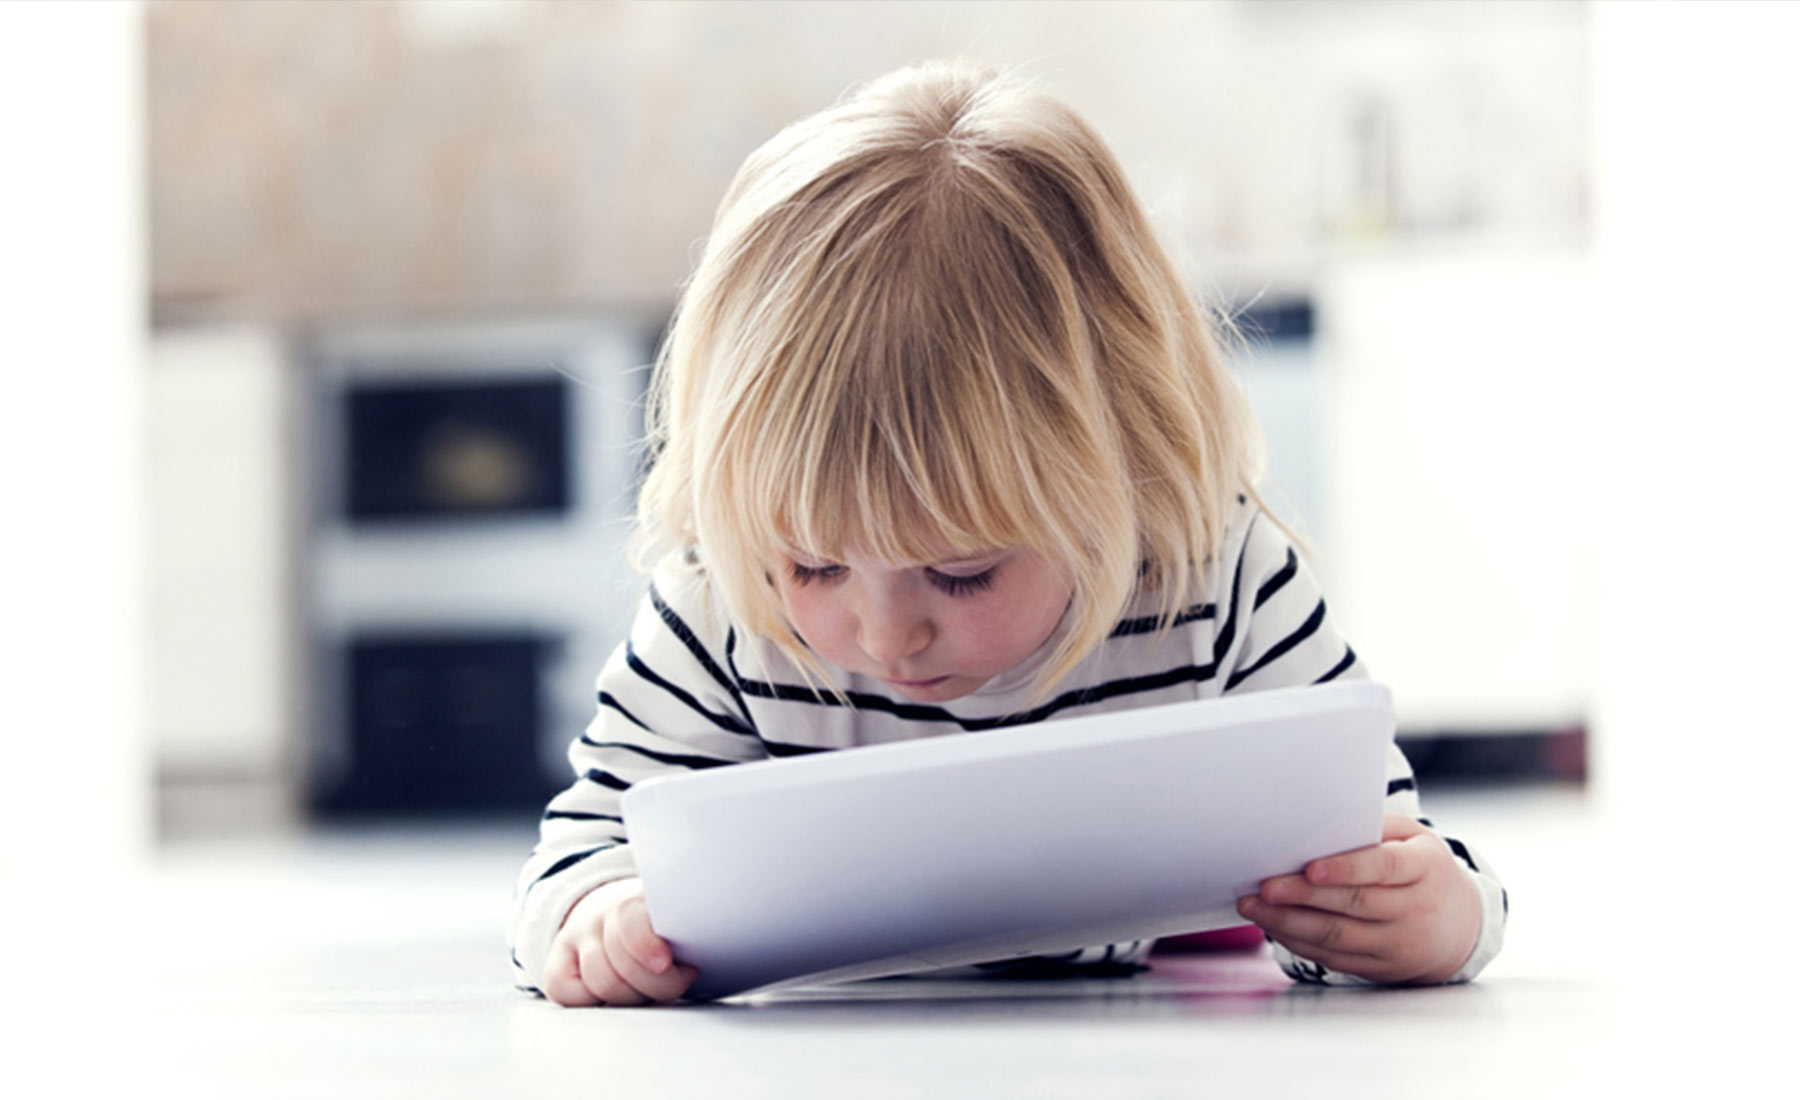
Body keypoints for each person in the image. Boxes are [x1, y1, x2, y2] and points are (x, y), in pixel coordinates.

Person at [509, 59, 1506, 1006]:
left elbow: (1386, 846)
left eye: (961, 572)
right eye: (814, 563)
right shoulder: (721, 595)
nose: (888, 634)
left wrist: (1432, 918)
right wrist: (599, 919)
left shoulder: (1212, 569)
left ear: (1112, 472)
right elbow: (574, 858)